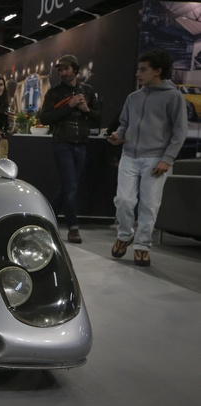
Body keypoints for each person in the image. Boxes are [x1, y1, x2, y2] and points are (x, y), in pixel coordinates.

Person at [108, 49, 187, 267]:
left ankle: (142, 246)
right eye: (138, 69)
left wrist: (167, 159)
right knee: (123, 200)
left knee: (149, 205)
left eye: (143, 70)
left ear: (158, 71)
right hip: (129, 156)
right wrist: (118, 136)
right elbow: (124, 124)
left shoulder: (173, 97)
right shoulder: (133, 97)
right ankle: (125, 235)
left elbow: (180, 131)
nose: (138, 74)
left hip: (156, 159)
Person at [39, 54, 101, 244]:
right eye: (60, 70)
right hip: (62, 142)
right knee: (71, 186)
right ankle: (73, 228)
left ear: (75, 70)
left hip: (81, 143)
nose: (62, 73)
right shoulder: (54, 93)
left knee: (68, 186)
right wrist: (69, 106)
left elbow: (98, 119)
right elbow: (45, 118)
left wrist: (86, 110)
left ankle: (47, 217)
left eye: (66, 68)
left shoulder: (88, 91)